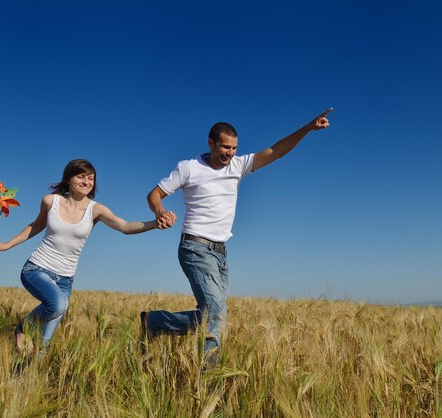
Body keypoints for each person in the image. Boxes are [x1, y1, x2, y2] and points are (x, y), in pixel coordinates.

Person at [141, 108, 332, 368]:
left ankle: (154, 322)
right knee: (214, 313)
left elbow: (276, 151)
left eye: (233, 148)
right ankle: (209, 378)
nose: (229, 153)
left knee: (213, 315)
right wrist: (160, 211)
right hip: (194, 247)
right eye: (225, 147)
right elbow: (154, 194)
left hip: (221, 253)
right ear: (210, 143)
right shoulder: (188, 168)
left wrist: (308, 128)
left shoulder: (239, 165)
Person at [0, 159, 164, 358]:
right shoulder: (50, 201)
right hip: (37, 269)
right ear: (69, 178)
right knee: (58, 306)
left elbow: (126, 227)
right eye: (81, 177)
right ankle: (22, 328)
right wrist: (6, 245)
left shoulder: (96, 210)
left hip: (65, 280)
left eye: (91, 178)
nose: (87, 182)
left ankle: (25, 375)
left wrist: (155, 223)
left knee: (43, 344)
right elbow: (36, 226)